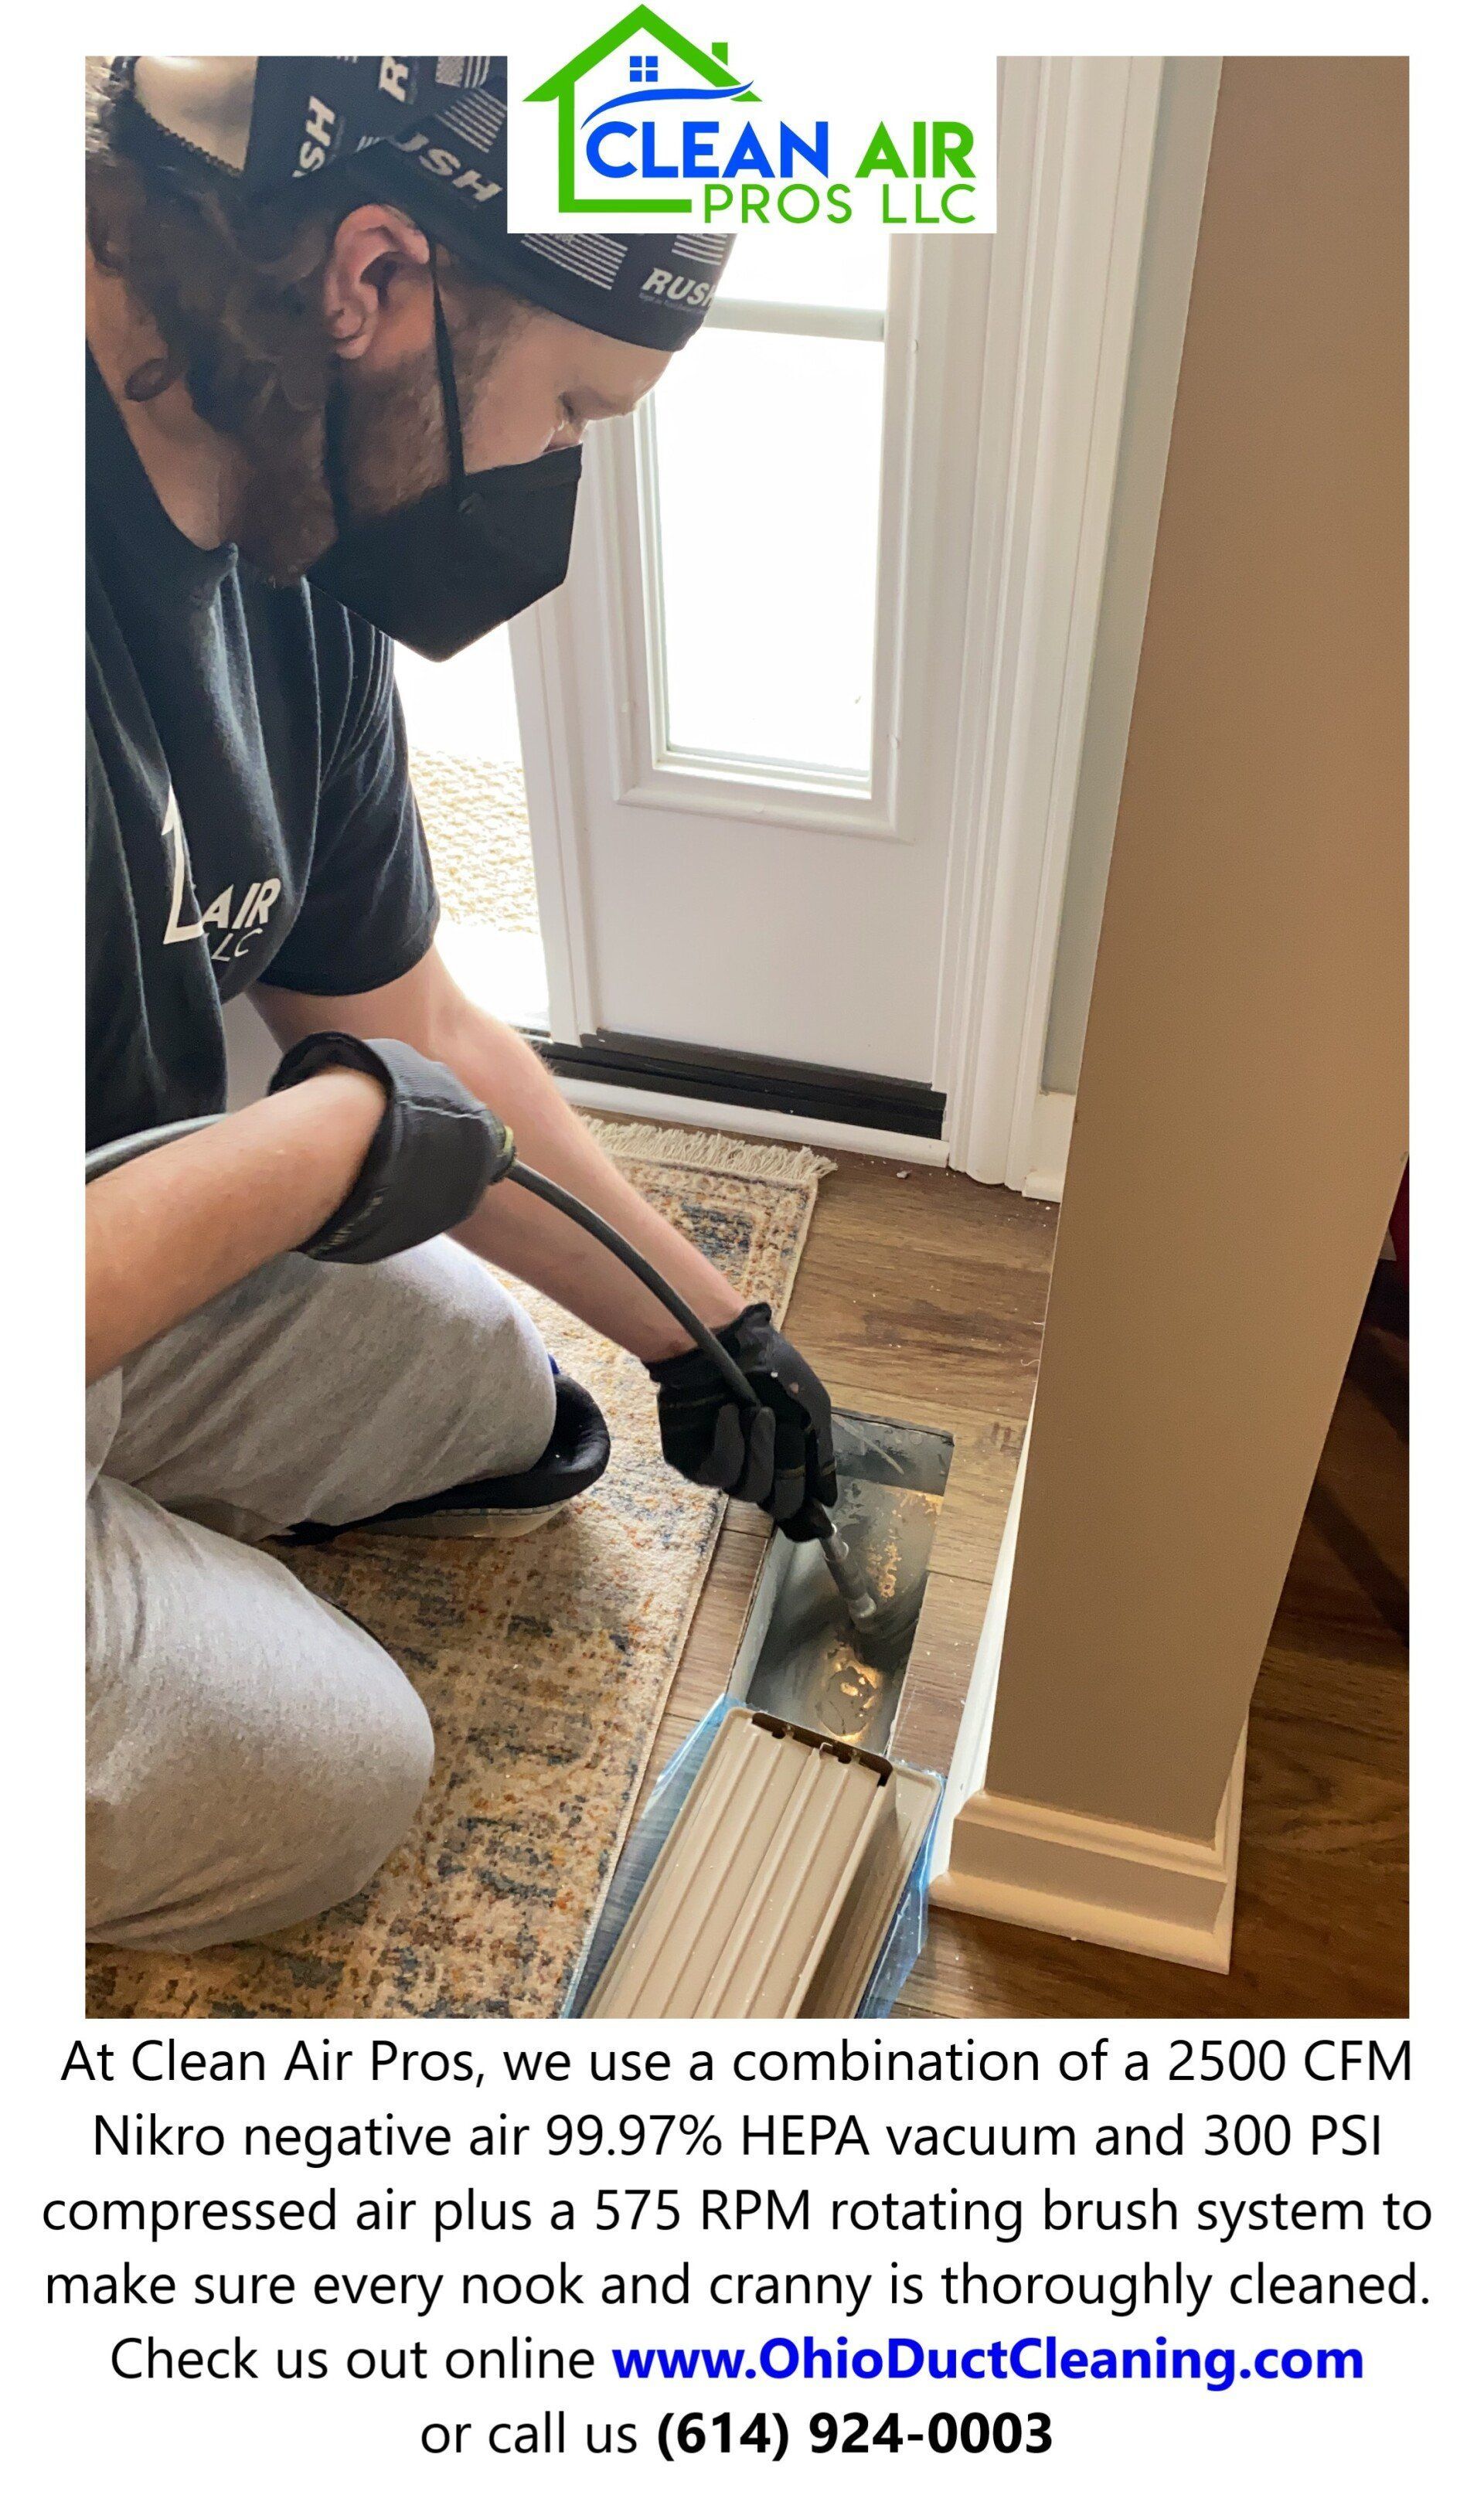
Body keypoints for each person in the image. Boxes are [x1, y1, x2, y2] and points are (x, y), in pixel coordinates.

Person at [85, 57, 839, 1953]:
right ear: (374, 277)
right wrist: (322, 1141)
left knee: (491, 1383)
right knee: (331, 1777)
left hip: (93, 1210)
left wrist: (701, 1323)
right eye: (570, 407)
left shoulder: (289, 499)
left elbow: (400, 1001)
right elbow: (366, 1096)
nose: (552, 485)